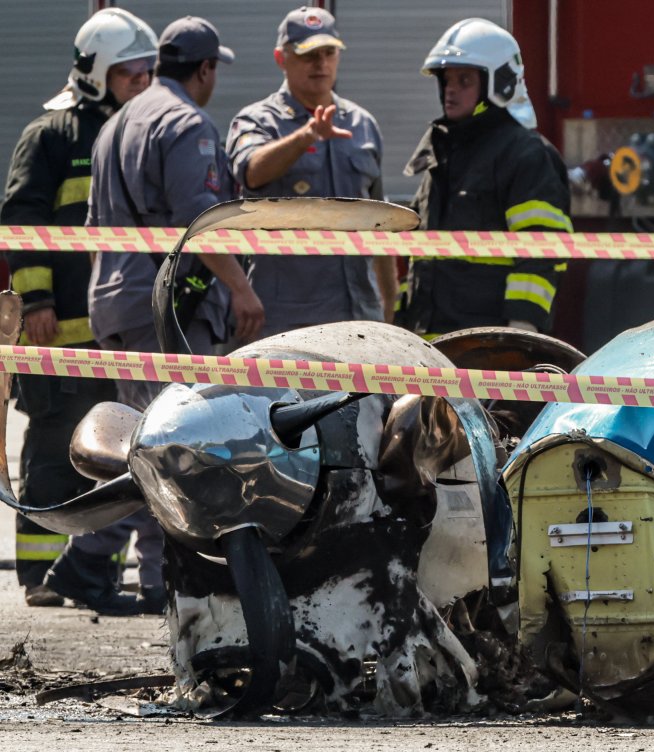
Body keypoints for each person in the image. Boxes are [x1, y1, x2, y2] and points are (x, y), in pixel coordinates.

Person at [70, 16, 261, 616]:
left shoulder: (116, 124)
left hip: (115, 297)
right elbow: (197, 219)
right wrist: (241, 289)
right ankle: (159, 581)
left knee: (142, 442)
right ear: (204, 71)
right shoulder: (185, 124)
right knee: (174, 447)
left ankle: (85, 560)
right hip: (166, 306)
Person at [0, 8, 156, 610]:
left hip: (112, 334)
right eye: (128, 73)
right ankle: (40, 574)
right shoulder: (51, 134)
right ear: (96, 73)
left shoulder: (135, 131)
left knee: (112, 452)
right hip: (55, 330)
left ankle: (94, 569)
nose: (139, 82)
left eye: (145, 72)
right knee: (51, 448)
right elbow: (21, 222)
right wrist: (35, 300)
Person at [225, 6, 395, 341]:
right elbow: (251, 172)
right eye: (308, 54)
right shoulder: (257, 121)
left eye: (329, 52)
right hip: (287, 321)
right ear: (280, 58)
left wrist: (388, 302)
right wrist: (307, 136)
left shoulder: (363, 124)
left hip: (358, 316)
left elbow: (381, 221)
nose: (321, 64)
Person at [399, 18, 572, 339]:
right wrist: (400, 320)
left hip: (486, 344)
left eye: (464, 80)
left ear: (500, 83)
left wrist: (522, 326)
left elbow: (543, 248)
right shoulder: (440, 153)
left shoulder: (525, 155)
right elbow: (418, 252)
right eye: (446, 80)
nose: (450, 90)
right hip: (425, 343)